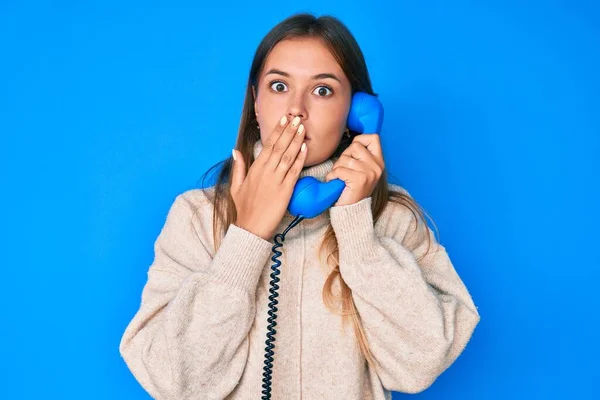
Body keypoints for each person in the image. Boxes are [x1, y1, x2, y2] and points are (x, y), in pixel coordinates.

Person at [119, 12, 480, 400]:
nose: (296, 109)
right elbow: (172, 382)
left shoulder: (392, 218)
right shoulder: (196, 216)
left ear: (355, 114)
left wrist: (357, 229)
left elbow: (420, 364)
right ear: (255, 102)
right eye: (278, 86)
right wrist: (246, 237)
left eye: (322, 90)